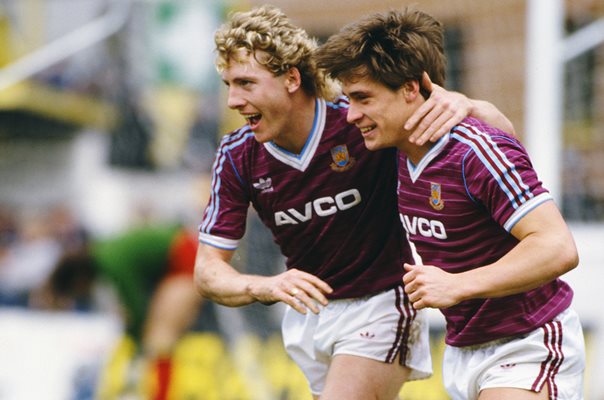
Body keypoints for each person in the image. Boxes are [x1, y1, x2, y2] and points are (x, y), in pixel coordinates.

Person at [194, 5, 515, 400]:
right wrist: (267, 285)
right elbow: (208, 272)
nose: (232, 100)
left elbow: (501, 137)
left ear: (291, 78)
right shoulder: (238, 154)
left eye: (245, 83)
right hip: (310, 316)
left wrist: (468, 105)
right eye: (228, 84)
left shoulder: (360, 122)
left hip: (380, 304)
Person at [315, 8, 585, 400]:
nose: (352, 114)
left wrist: (458, 284)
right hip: (463, 352)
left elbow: (557, 246)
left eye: (362, 98)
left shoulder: (475, 149)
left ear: (411, 89)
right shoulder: (392, 152)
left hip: (529, 342)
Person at [32, 222, 201, 400]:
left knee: (160, 339)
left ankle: (162, 396)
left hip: (184, 258)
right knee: (156, 339)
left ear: (78, 280)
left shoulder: (111, 263)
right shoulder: (102, 255)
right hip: (176, 257)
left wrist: (135, 339)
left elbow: (136, 307)